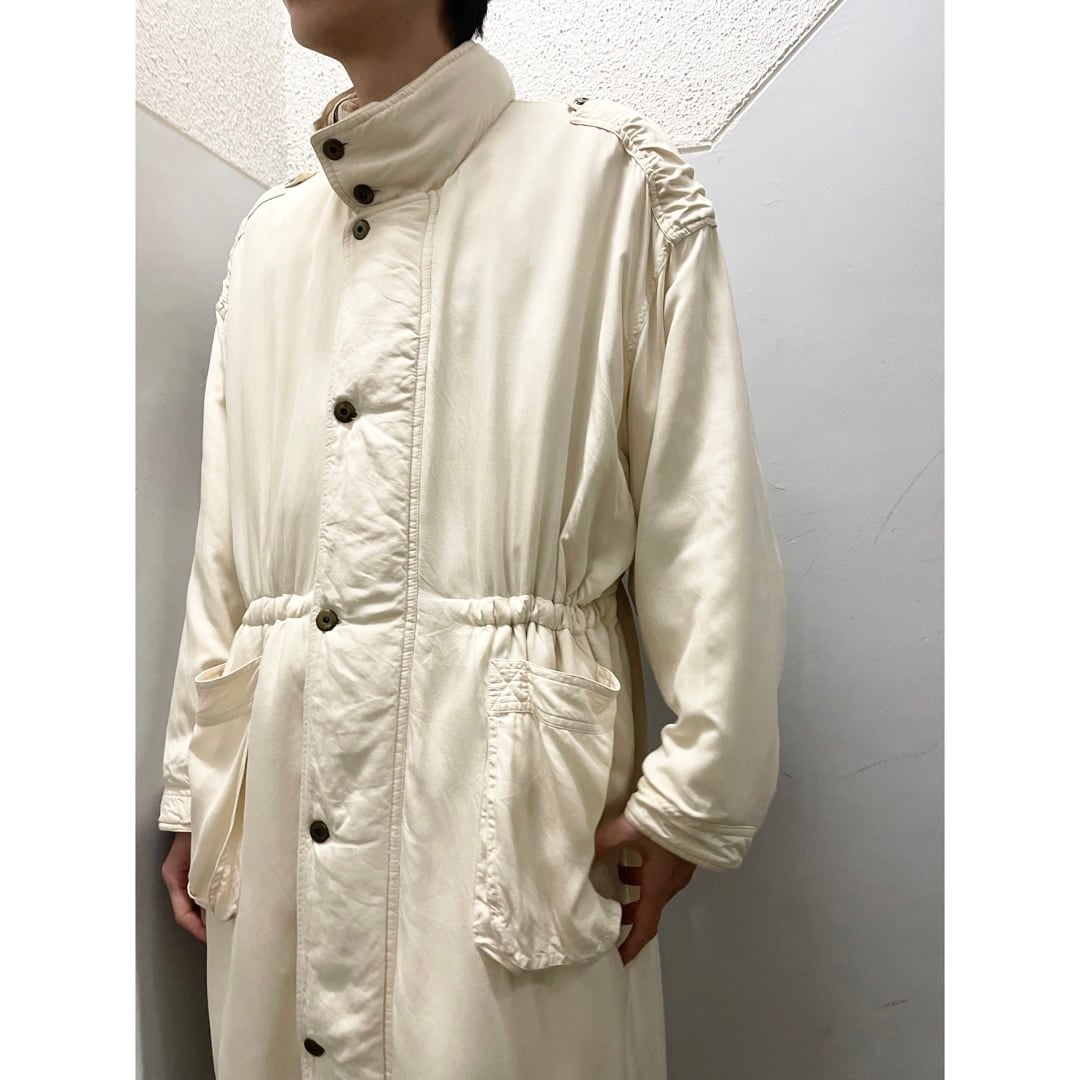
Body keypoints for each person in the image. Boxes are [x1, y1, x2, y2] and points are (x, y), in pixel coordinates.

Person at [157, 2, 787, 1078]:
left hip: (507, 824)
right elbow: (225, 556)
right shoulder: (268, 243)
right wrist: (195, 786)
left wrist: (698, 790)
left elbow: (704, 507)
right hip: (276, 811)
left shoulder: (606, 185)